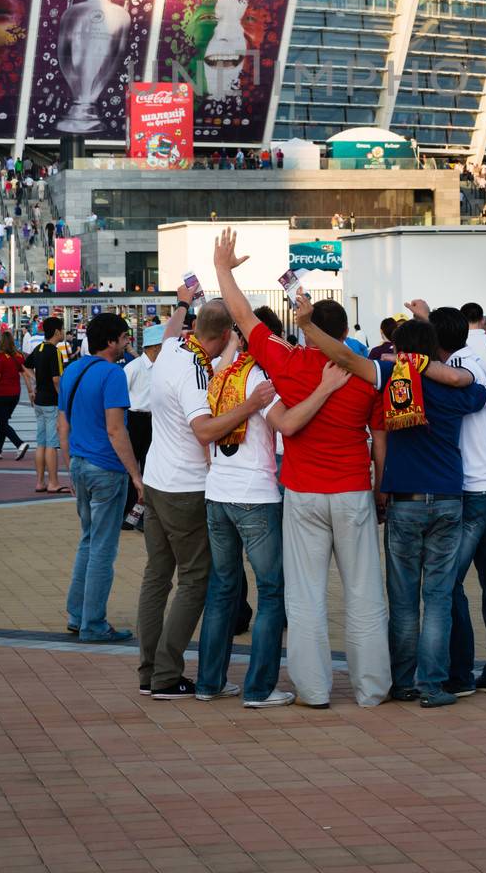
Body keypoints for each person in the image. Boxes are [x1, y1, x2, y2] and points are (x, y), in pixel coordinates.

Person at [213, 230, 472, 709]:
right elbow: (381, 438)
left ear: (311, 328)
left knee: (306, 598)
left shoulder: (287, 362)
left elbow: (245, 317)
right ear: (345, 329)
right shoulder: (363, 371)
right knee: (364, 595)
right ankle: (373, 688)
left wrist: (224, 270)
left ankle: (313, 690)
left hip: (302, 492)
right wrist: (381, 490)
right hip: (352, 487)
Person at [196, 334, 350, 709]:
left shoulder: (222, 373)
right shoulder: (259, 378)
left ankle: (209, 681)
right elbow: (289, 424)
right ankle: (260, 688)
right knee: (271, 591)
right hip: (254, 498)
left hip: (217, 494)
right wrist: (326, 388)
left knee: (222, 590)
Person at [136, 289, 275, 700]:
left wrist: (185, 306)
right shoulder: (197, 373)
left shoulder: (171, 348)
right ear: (224, 334)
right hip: (186, 486)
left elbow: (178, 333)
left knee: (157, 575)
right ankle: (166, 673)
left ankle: (149, 670)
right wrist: (251, 404)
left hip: (157, 478)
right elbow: (205, 431)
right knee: (196, 579)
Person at [370, 316, 486, 707]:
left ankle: (403, 682)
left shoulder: (393, 384)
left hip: (403, 498)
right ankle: (433, 686)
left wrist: (380, 490)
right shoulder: (454, 389)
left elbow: (382, 441)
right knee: (439, 597)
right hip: (446, 498)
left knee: (403, 600)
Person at [435, 303, 486, 696]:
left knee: (448, 585)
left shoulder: (456, 375)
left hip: (469, 493)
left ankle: (460, 673)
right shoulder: (481, 360)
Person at [58, 312, 142, 644]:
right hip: (107, 468)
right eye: (124, 338)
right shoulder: (113, 374)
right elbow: (116, 429)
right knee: (103, 549)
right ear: (110, 341)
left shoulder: (72, 370)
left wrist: (71, 466)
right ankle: (93, 623)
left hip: (80, 463)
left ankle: (78, 615)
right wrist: (136, 474)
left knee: (88, 541)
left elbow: (62, 426)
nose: (126, 344)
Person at [121, 324, 164, 527]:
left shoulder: (163, 367)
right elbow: (121, 395)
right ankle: (128, 514)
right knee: (132, 468)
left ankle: (145, 516)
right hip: (135, 420)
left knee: (151, 467)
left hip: (155, 420)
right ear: (154, 347)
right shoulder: (133, 368)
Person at [23, 316, 70, 494]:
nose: (64, 333)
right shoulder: (55, 351)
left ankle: (40, 482)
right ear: (57, 331)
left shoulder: (39, 348)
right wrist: (63, 400)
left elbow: (25, 365)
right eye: (63, 329)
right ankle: (53, 482)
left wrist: (36, 380)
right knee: (52, 444)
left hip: (40, 401)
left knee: (41, 442)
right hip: (52, 401)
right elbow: (56, 380)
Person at [0, 332, 29, 459]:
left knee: (1, 423)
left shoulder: (0, 357)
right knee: (3, 422)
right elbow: (25, 374)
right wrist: (31, 391)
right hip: (15, 394)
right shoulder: (18, 356)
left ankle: (20, 444)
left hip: (2, 394)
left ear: (1, 342)